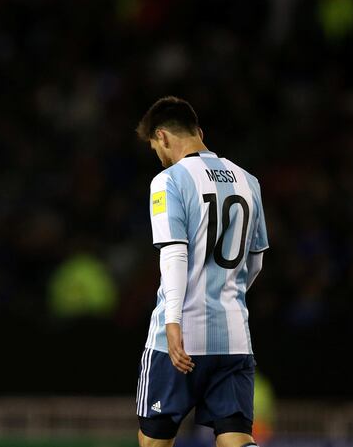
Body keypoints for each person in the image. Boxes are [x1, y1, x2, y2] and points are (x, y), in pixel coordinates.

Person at [134, 97, 269, 447]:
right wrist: (227, 296)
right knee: (236, 436)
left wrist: (174, 322)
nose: (157, 155)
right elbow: (255, 262)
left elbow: (175, 255)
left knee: (154, 442)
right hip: (234, 335)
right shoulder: (248, 180)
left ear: (162, 137)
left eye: (154, 147)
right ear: (200, 133)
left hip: (179, 340)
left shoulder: (169, 180)